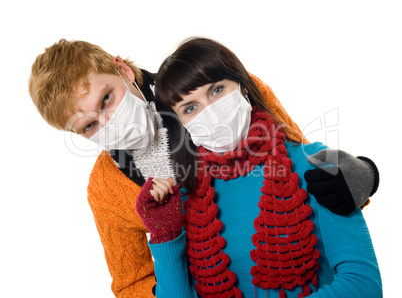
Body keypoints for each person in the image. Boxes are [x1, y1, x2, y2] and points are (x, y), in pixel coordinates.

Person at [29, 39, 379, 298]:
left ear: (122, 70)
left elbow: (307, 178)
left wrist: (362, 175)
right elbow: (131, 282)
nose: (108, 122)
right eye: (89, 126)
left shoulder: (215, 90)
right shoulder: (105, 187)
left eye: (107, 98)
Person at [136, 37, 382, 297]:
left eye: (217, 90)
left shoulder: (315, 165)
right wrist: (165, 235)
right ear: (180, 123)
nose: (211, 111)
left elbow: (363, 285)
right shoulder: (184, 198)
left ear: (242, 85)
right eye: (190, 107)